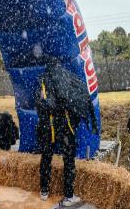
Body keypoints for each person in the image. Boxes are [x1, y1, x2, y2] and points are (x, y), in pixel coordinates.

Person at [35, 59, 90, 207]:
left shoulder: (43, 81)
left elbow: (40, 105)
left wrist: (48, 104)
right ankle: (68, 196)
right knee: (68, 161)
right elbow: (74, 104)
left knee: (46, 157)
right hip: (64, 128)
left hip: (48, 127)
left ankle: (44, 190)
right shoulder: (66, 79)